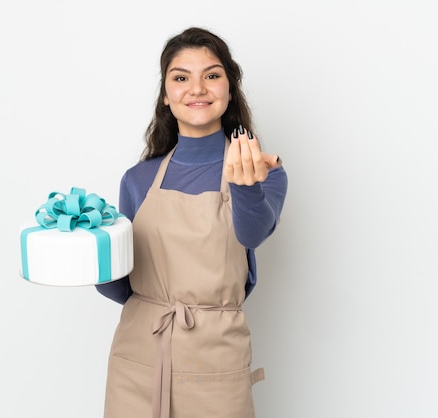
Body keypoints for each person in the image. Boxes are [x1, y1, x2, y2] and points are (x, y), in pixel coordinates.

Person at [96, 26, 288, 418]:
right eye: (181, 78)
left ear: (229, 90)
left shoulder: (262, 171)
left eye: (212, 75)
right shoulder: (138, 179)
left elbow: (252, 234)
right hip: (139, 358)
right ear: (166, 97)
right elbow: (120, 287)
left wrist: (245, 186)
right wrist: (90, 251)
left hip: (215, 361)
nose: (197, 88)